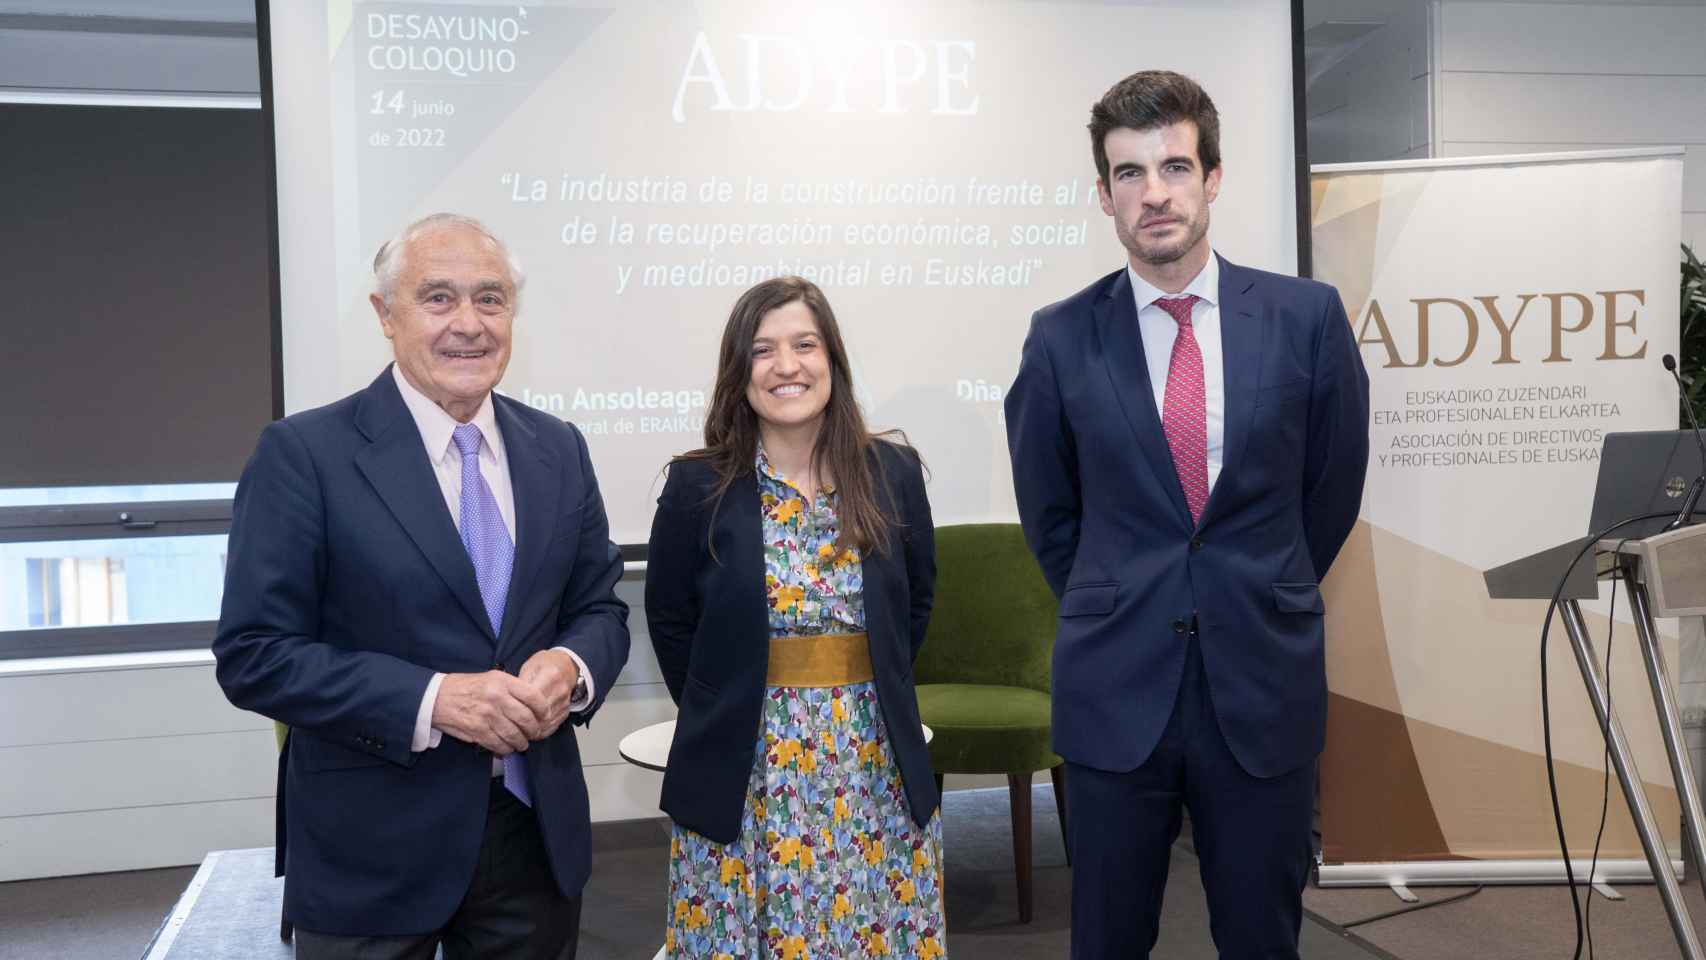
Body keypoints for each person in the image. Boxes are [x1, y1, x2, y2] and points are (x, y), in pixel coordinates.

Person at [1004, 71, 1370, 959]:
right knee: (1107, 937)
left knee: (1260, 936)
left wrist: (1258, 586)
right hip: (1115, 687)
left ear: (1212, 177)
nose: (1154, 192)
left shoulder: (1306, 319)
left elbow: (1332, 489)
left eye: (1174, 165)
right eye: (1129, 173)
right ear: (1103, 195)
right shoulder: (1059, 337)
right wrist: (1122, 590)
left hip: (1261, 681)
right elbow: (1051, 513)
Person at [214, 212, 630, 959]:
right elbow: (255, 654)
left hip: (534, 837)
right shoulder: (304, 455)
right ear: (385, 315)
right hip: (373, 848)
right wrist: (436, 699)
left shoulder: (558, 448)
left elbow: (599, 607)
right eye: (438, 298)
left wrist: (570, 669)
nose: (469, 324)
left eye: (491, 299)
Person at [644, 276, 945, 959]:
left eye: (805, 345)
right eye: (763, 350)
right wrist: (721, 707)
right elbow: (669, 620)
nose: (787, 366)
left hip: (870, 763)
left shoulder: (891, 472)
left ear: (832, 360)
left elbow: (915, 602)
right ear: (738, 372)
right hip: (743, 768)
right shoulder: (697, 486)